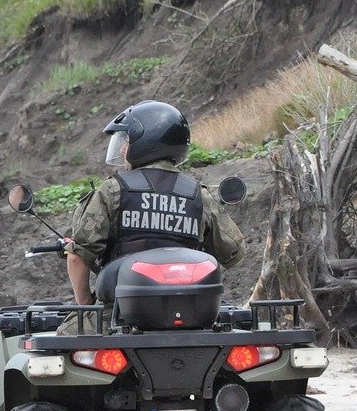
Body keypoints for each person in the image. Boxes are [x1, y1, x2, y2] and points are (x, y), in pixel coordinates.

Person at [65, 100, 245, 306]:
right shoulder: (198, 195)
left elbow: (77, 257)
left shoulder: (113, 190)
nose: (122, 149)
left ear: (146, 142)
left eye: (127, 141)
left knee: (61, 335)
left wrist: (85, 305)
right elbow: (234, 254)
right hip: (191, 313)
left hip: (120, 314)